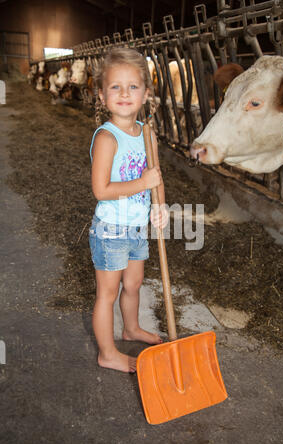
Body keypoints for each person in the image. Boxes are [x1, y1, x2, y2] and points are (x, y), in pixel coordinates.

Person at [89, 48, 168, 373]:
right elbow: (101, 190)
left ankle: (131, 328)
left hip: (136, 228)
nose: (124, 94)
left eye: (133, 86)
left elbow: (156, 176)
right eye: (115, 87)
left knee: (133, 285)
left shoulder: (147, 134)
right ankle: (108, 353)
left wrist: (160, 204)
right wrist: (142, 183)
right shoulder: (107, 138)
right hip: (110, 230)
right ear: (101, 94)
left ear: (146, 93)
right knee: (108, 293)